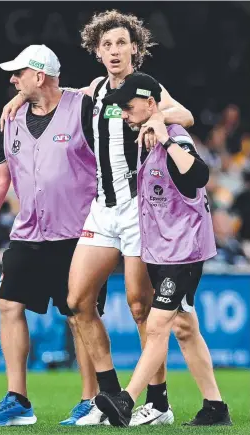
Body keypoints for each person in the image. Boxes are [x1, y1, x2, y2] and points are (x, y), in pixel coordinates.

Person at [0, 10, 194, 426]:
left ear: (135, 49)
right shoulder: (93, 91)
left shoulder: (147, 88)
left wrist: (158, 118)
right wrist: (22, 95)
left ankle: (157, 404)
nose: (114, 51)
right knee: (77, 301)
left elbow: (186, 116)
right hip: (103, 211)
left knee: (140, 306)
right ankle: (106, 397)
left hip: (140, 211)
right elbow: (54, 94)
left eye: (121, 43)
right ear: (97, 52)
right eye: (106, 45)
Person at [0, 44, 108, 427]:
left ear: (39, 75)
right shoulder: (11, 118)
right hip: (29, 232)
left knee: (81, 314)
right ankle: (18, 400)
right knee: (8, 305)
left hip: (80, 234)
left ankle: (91, 401)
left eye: (19, 73)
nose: (13, 80)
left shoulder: (82, 107)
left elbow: (105, 88)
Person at [94, 72, 232, 427]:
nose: (123, 112)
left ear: (151, 104)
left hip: (183, 253)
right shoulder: (142, 136)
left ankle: (125, 401)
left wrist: (168, 139)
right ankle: (215, 407)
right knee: (185, 328)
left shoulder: (176, 139)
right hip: (160, 251)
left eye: (128, 106)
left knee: (157, 327)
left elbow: (198, 175)